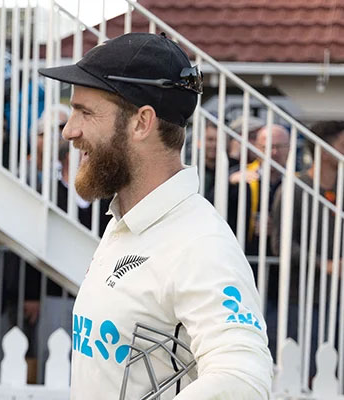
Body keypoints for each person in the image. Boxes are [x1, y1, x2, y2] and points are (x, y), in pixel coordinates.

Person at [39, 32, 272, 399]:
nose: (69, 130)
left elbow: (245, 378)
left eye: (84, 111)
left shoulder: (200, 243)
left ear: (141, 122)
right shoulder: (125, 220)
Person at [269, 120, 344, 375]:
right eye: (342, 145)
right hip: (301, 296)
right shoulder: (294, 187)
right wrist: (325, 264)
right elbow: (282, 244)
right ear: (324, 151)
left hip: (336, 298)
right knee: (305, 371)